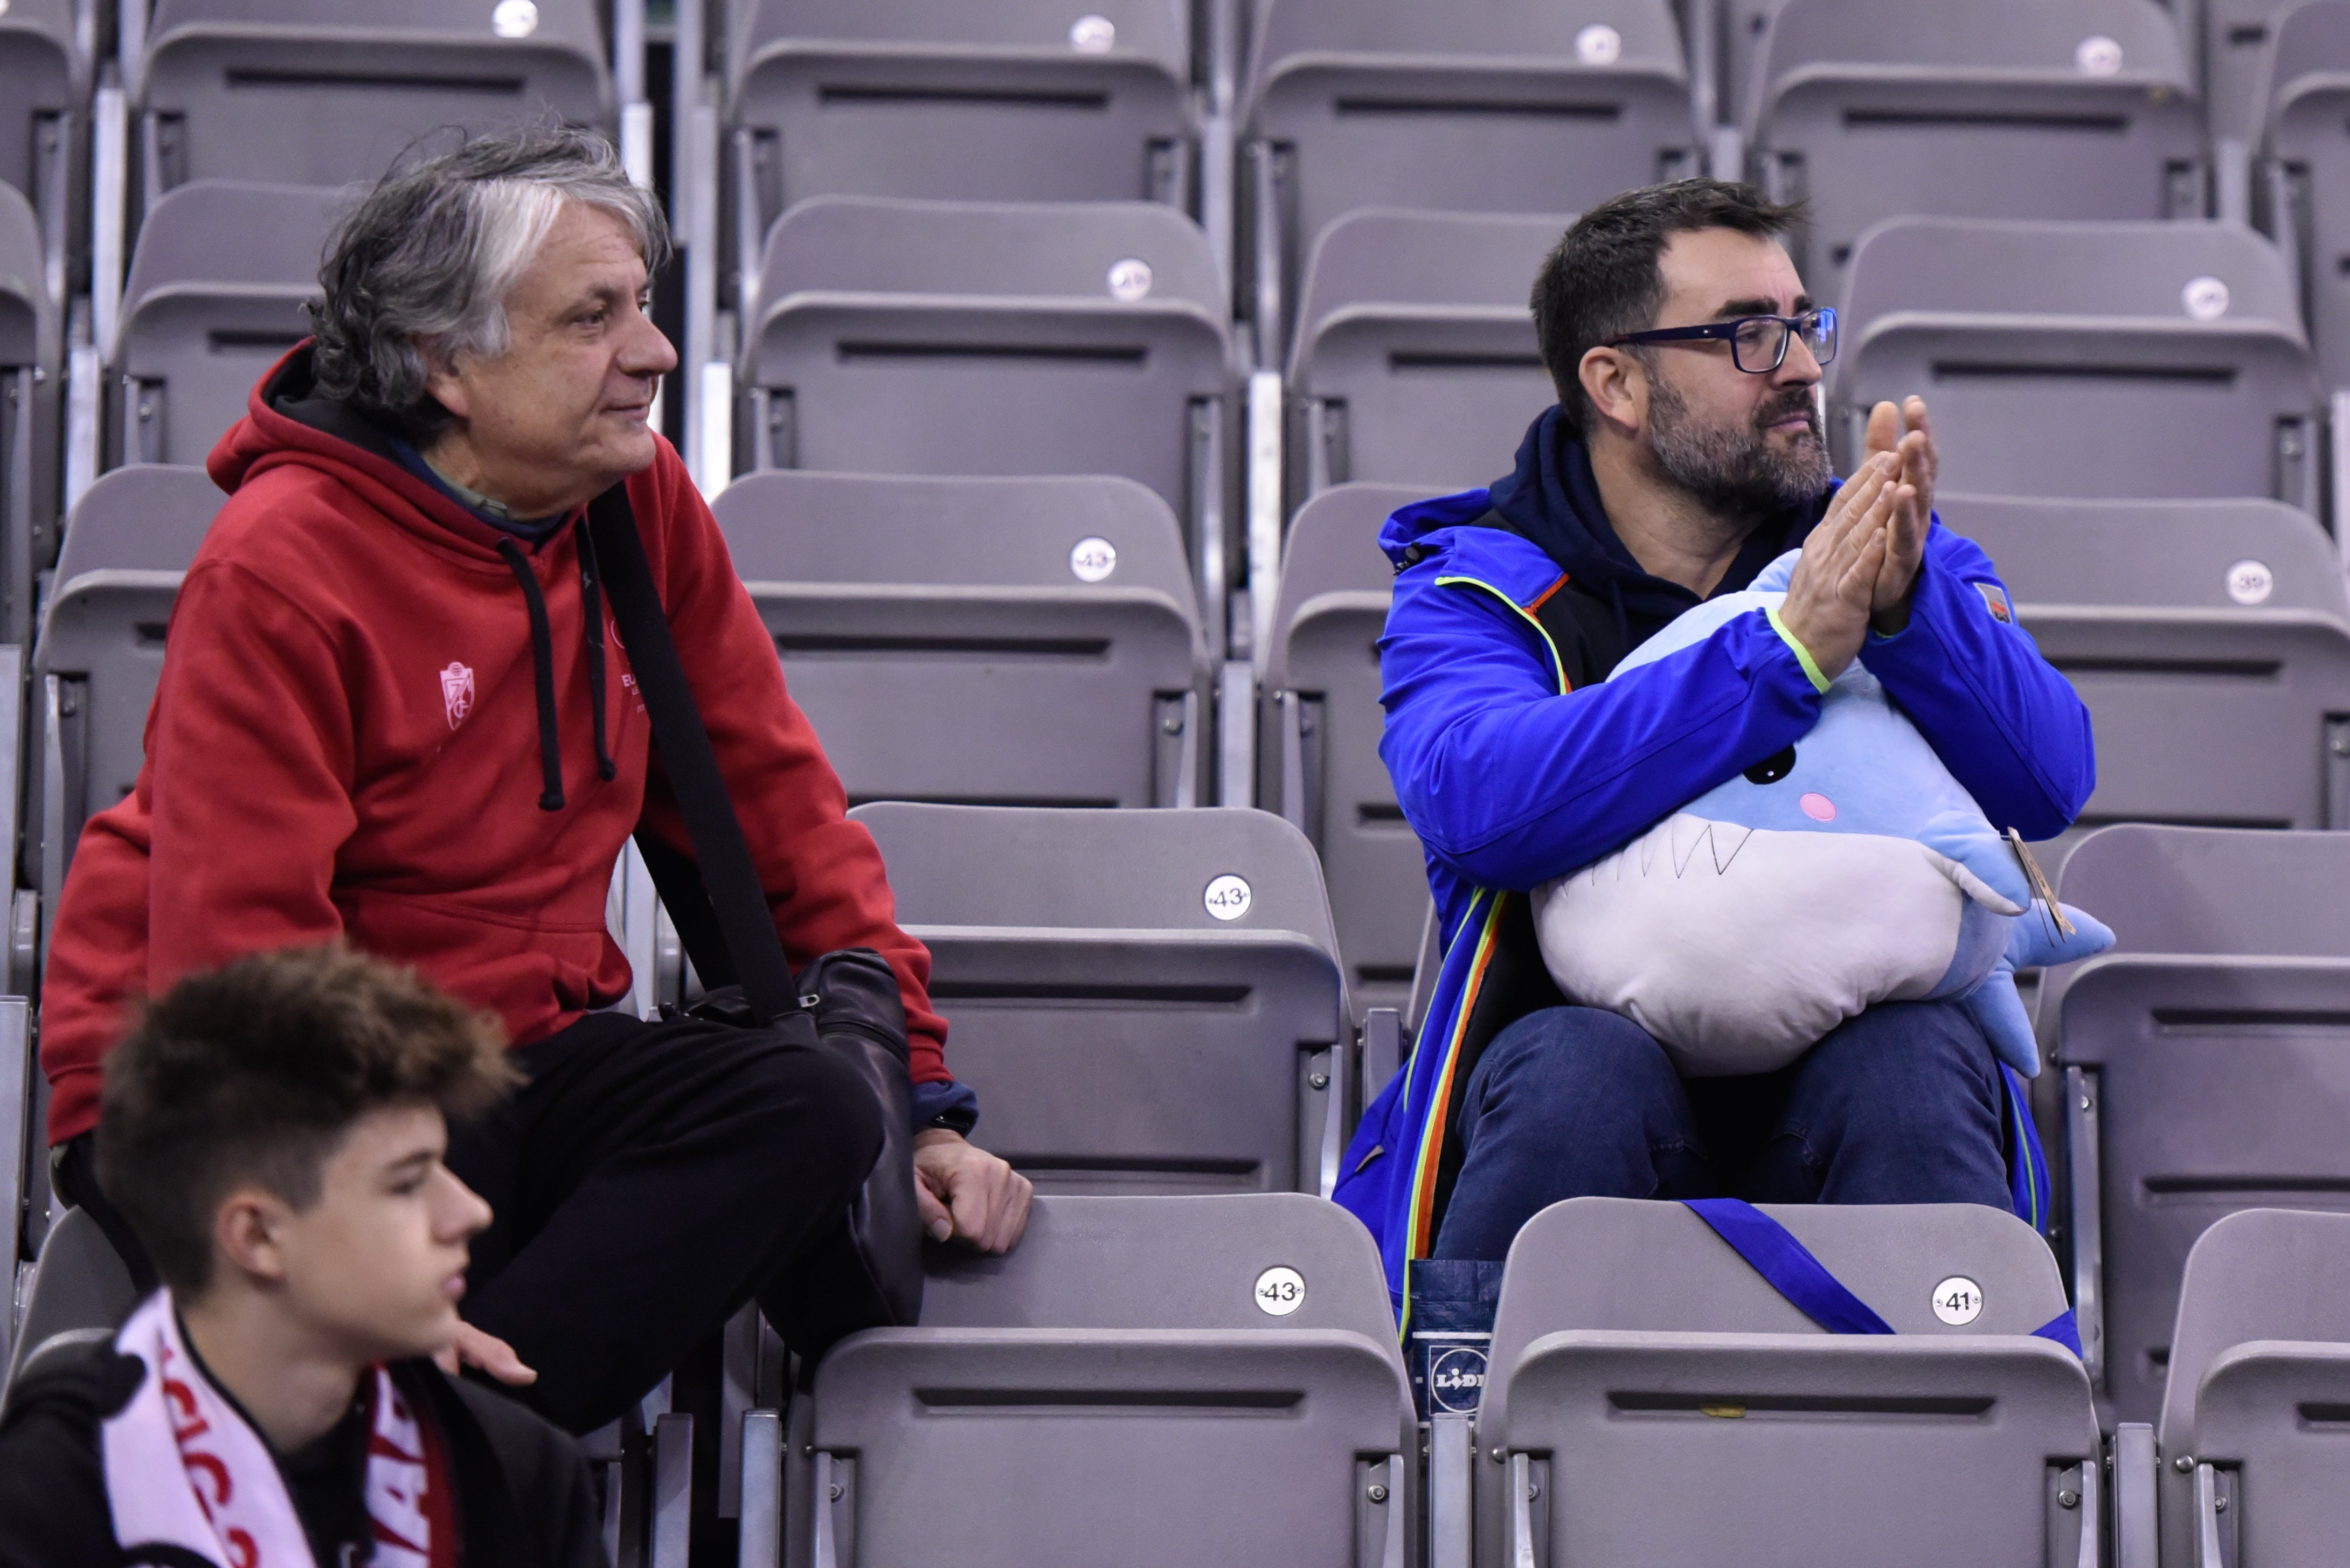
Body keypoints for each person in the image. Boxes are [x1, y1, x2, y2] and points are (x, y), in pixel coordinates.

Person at [37, 126, 1031, 1434]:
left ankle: (427, 1458)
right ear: (450, 363)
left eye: (648, 307)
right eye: (594, 317)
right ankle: (443, 1462)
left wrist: (922, 1107)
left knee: (810, 1106)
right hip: (234, 1086)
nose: (656, 352)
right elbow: (249, 973)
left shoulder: (636, 498)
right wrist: (359, 1238)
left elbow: (770, 814)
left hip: (513, 1055)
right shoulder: (284, 561)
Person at [1332, 179, 2096, 1308]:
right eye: (1746, 334)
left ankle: (1956, 1432)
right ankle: (1476, 1441)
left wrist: (1904, 612)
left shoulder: (1877, 551)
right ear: (1616, 383)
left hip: (1845, 1106)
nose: (1796, 364)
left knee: (1913, 1062)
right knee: (1576, 1068)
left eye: (1801, 324)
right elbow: (1476, 803)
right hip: (1587, 1107)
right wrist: (1779, 657)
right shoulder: (1473, 589)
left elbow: (2045, 780)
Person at [0, 945, 606, 1567]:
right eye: (407, 1182)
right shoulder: (67, 1475)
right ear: (258, 1237)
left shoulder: (517, 1469)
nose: (470, 1214)